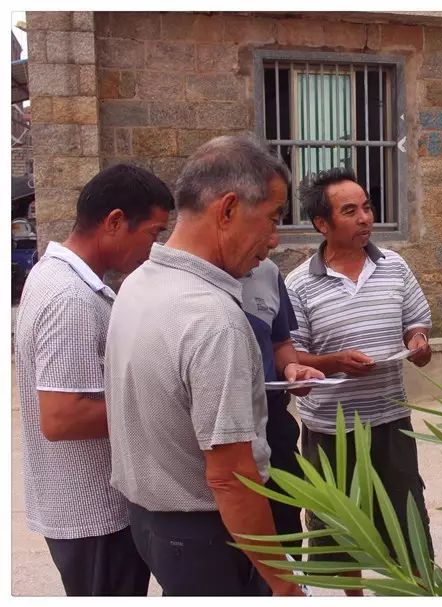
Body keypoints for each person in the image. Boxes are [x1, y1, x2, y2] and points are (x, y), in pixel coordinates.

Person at [104, 136, 304, 596]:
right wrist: (284, 584)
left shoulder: (139, 284)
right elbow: (231, 477)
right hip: (209, 536)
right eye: (273, 218)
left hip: (152, 524)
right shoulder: (213, 320)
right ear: (228, 209)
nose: (273, 241)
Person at [14, 164, 173, 595]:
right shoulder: (69, 298)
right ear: (115, 221)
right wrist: (164, 408)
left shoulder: (62, 280)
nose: (152, 249)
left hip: (88, 509)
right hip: (92, 514)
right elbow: (62, 418)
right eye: (153, 234)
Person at [284, 167, 434, 595]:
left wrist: (418, 342)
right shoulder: (298, 285)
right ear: (322, 224)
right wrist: (333, 362)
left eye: (367, 206)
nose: (365, 217)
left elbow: (416, 326)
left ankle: (419, 594)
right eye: (350, 211)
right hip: (332, 433)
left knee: (408, 526)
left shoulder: (394, 266)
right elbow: (294, 361)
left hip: (390, 422)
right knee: (343, 534)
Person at [238, 257, 324, 541]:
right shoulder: (180, 277)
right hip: (211, 426)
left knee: (284, 526)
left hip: (272, 421)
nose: (274, 239)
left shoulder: (267, 270)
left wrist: (291, 368)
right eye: (270, 220)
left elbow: (280, 342)